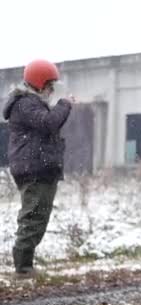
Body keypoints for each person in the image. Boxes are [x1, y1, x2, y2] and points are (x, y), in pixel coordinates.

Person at [2, 59, 75, 278]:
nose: (52, 90)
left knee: (39, 217)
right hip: (34, 169)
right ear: (39, 83)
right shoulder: (25, 104)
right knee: (33, 216)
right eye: (50, 85)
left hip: (41, 169)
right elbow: (49, 123)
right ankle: (22, 268)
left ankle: (25, 265)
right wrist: (65, 104)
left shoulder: (31, 103)